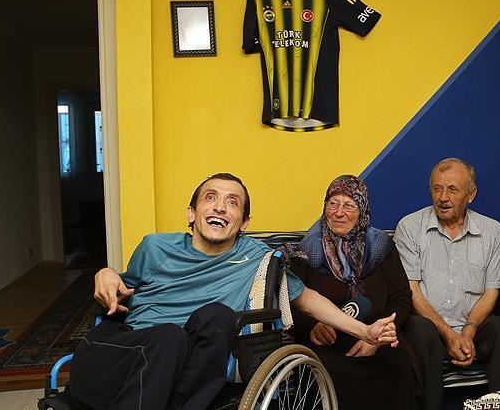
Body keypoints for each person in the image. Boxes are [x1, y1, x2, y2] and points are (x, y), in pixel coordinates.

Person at [68, 173, 398, 410]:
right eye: (210, 198)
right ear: (191, 213)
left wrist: (365, 331)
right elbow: (120, 287)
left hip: (185, 365)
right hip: (127, 351)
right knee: (169, 337)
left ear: (244, 222)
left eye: (232, 202)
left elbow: (309, 301)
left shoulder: (258, 258)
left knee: (219, 317)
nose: (220, 208)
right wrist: (105, 274)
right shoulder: (155, 247)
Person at [394, 158, 500, 410]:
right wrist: (449, 335)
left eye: (452, 189)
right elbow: (412, 291)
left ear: (471, 195)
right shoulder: (409, 227)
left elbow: (491, 292)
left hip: (472, 326)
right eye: (437, 189)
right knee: (421, 331)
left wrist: (468, 332)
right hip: (429, 326)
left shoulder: (492, 231)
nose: (442, 197)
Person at [289, 174, 418, 409]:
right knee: (323, 368)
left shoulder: (382, 247)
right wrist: (312, 326)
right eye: (333, 204)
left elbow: (401, 298)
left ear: (363, 211)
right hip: (325, 344)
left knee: (399, 362)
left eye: (349, 205)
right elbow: (290, 300)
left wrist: (378, 337)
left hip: (375, 339)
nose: (339, 213)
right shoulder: (307, 250)